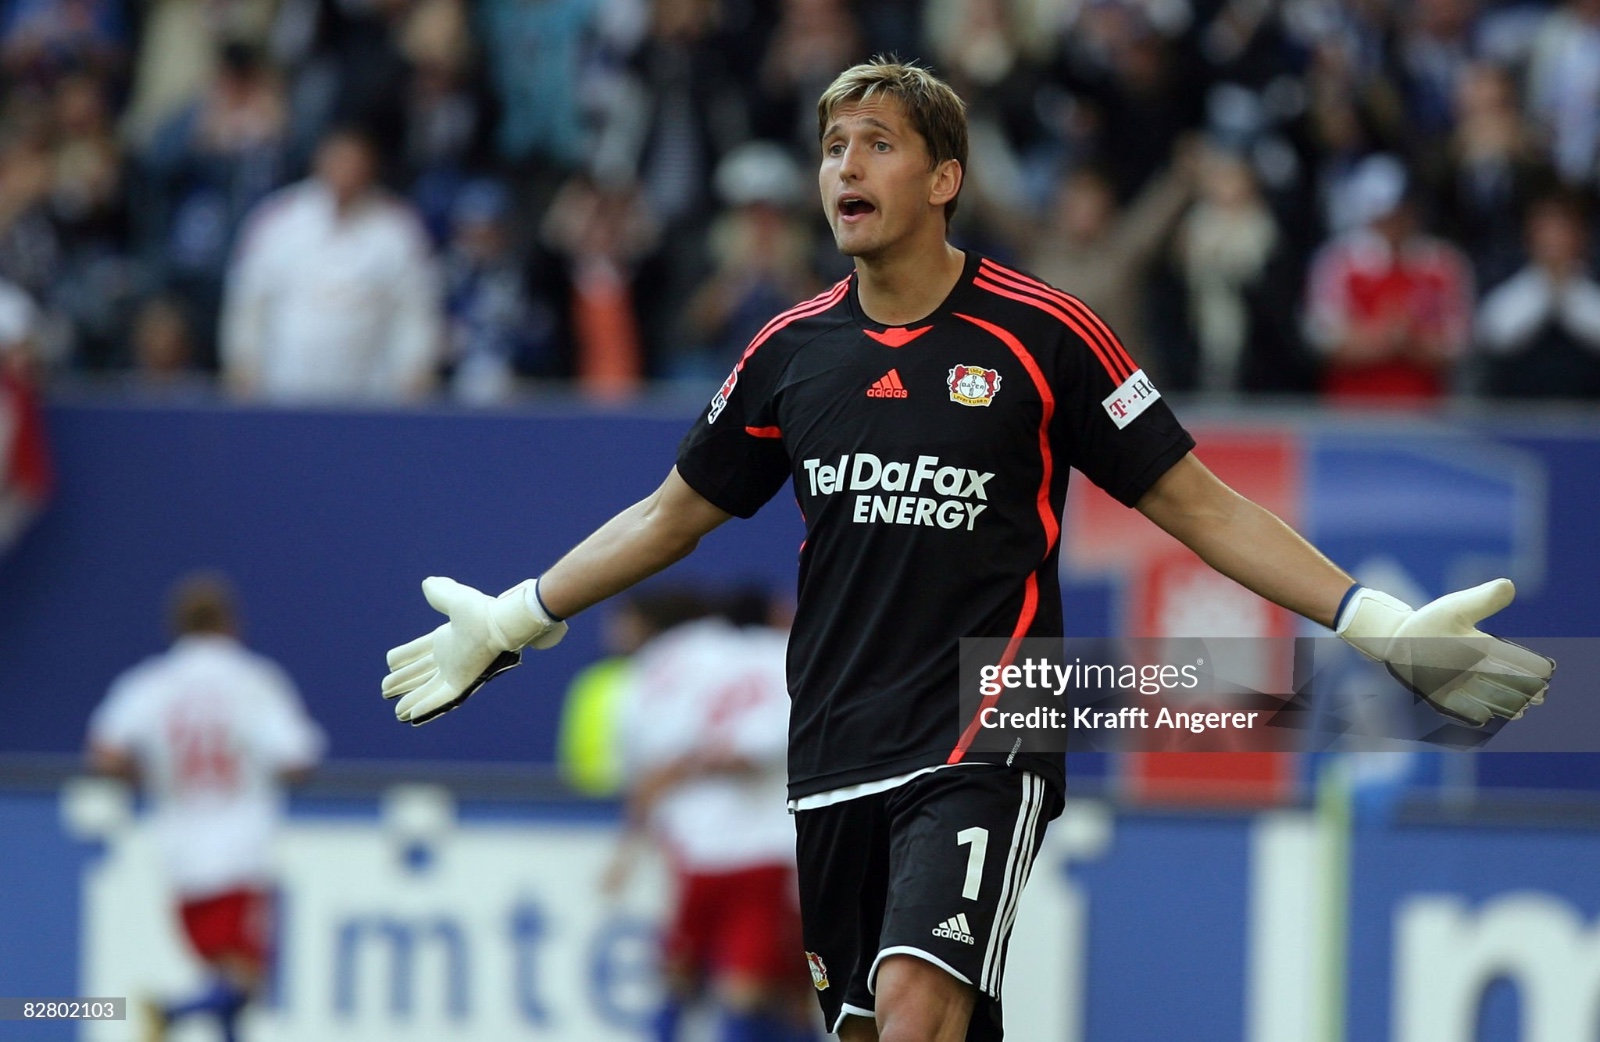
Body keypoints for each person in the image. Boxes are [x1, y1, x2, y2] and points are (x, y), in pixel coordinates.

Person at [382, 60, 1553, 1042]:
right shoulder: (790, 353)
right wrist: (519, 612)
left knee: (911, 1003)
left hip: (988, 715)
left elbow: (1197, 504)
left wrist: (1371, 620)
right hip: (834, 737)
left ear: (943, 179)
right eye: (833, 144)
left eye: (877, 143)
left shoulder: (1043, 332)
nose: (844, 165)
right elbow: (671, 513)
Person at [87, 572, 325, 1042]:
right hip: (241, 850)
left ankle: (188, 1016)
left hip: (180, 852)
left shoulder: (152, 683)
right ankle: (171, 1012)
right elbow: (299, 757)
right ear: (231, 623)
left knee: (226, 980)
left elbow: (105, 752)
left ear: (175, 625)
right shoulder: (253, 680)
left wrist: (153, 776)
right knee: (245, 982)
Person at [602, 588, 814, 1042]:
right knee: (758, 989)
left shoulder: (674, 662)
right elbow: (756, 747)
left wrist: (628, 845)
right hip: (761, 852)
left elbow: (652, 764)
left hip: (701, 849)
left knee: (688, 978)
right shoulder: (782, 658)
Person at [219, 126, 442, 402]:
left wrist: (414, 373)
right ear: (319, 162)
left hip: (370, 399)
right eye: (337, 160)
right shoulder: (277, 220)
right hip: (283, 392)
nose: (345, 171)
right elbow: (248, 302)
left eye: (354, 162)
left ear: (370, 167)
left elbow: (416, 311)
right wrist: (242, 364)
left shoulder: (398, 229)